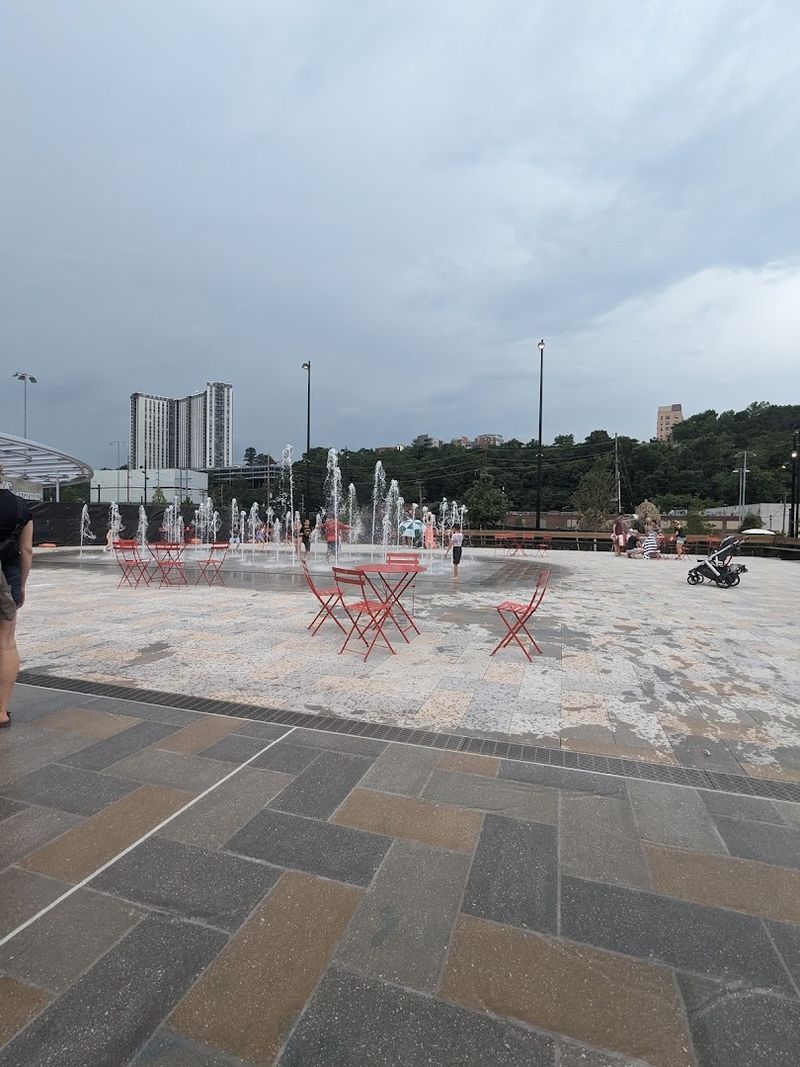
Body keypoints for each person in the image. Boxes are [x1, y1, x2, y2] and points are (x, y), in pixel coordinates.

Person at [0, 472, 34, 728]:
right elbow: (27, 550)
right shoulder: (21, 506)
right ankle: (1, 712)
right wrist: (20, 585)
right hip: (7, 574)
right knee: (6, 643)